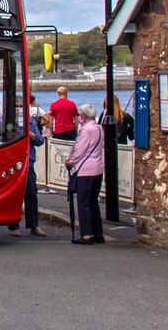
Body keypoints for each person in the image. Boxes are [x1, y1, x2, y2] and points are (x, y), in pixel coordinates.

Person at [66, 103, 104, 245]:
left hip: (86, 170)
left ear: (84, 116)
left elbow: (80, 149)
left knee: (83, 203)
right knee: (93, 202)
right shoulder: (99, 128)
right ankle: (98, 232)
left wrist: (71, 161)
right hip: (98, 168)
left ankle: (86, 234)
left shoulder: (86, 130)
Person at [9, 113, 46, 237]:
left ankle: (34, 225)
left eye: (22, 106)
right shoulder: (7, 120)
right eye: (18, 106)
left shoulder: (31, 122)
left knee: (31, 194)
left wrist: (31, 135)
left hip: (28, 162)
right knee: (14, 195)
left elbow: (40, 141)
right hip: (13, 162)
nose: (20, 109)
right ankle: (13, 226)